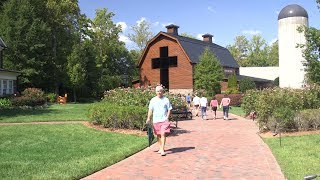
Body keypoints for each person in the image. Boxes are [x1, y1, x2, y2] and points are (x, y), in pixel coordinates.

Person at [146, 85, 172, 156]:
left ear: (163, 91)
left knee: (163, 133)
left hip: (164, 120)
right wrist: (148, 118)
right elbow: (150, 109)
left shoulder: (166, 99)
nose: (159, 92)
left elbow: (169, 109)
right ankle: (160, 148)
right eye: (158, 91)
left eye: (160, 91)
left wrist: (167, 117)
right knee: (158, 135)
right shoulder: (153, 100)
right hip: (156, 120)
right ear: (155, 92)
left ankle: (162, 149)